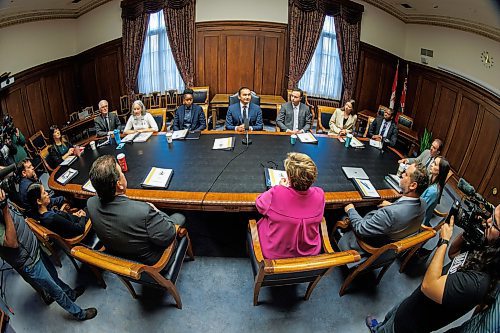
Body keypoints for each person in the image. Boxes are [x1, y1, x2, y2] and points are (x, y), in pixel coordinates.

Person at [366, 204, 500, 333]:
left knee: (392, 327)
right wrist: (468, 231)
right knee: (391, 316)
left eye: (494, 223)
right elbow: (453, 254)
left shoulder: (477, 282)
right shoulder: (486, 250)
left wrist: (444, 241)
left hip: (412, 322)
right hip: (415, 302)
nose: (487, 222)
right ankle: (378, 328)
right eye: (491, 215)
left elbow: (428, 285)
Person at [0, 190, 97, 320]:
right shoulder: (3, 206)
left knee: (54, 276)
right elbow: (12, 243)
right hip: (29, 263)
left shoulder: (3, 200)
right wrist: (4, 207)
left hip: (34, 248)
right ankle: (79, 313)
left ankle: (71, 293)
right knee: (55, 290)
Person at [87, 155, 185, 265]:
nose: (124, 175)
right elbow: (169, 235)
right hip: (151, 263)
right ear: (119, 185)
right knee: (179, 217)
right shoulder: (143, 212)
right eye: (122, 173)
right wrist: (156, 210)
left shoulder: (90, 203)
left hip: (119, 257)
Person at [337, 164, 428, 253]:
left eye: (406, 174)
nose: (402, 174)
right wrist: (392, 206)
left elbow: (361, 228)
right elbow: (402, 214)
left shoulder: (390, 213)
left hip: (362, 246)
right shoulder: (423, 204)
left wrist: (350, 209)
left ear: (413, 185)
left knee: (339, 213)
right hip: (390, 236)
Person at [256, 152, 325, 259]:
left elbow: (259, 205)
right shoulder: (320, 194)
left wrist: (280, 187)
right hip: (309, 253)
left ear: (290, 179)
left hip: (275, 253)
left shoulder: (277, 192)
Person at [421, 156, 450, 226]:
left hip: (417, 224)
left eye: (435, 164)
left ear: (440, 171)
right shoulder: (433, 182)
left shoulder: (433, 191)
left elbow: (420, 210)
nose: (431, 164)